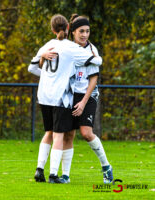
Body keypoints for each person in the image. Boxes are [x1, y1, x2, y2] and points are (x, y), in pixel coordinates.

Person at [37, 14, 113, 184]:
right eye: (81, 31)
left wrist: (84, 101)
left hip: (87, 95)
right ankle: (65, 175)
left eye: (87, 31)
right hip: (69, 96)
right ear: (73, 32)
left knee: (86, 133)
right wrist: (42, 56)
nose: (85, 35)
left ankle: (106, 166)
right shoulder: (66, 47)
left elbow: (94, 79)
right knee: (67, 135)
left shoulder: (91, 51)